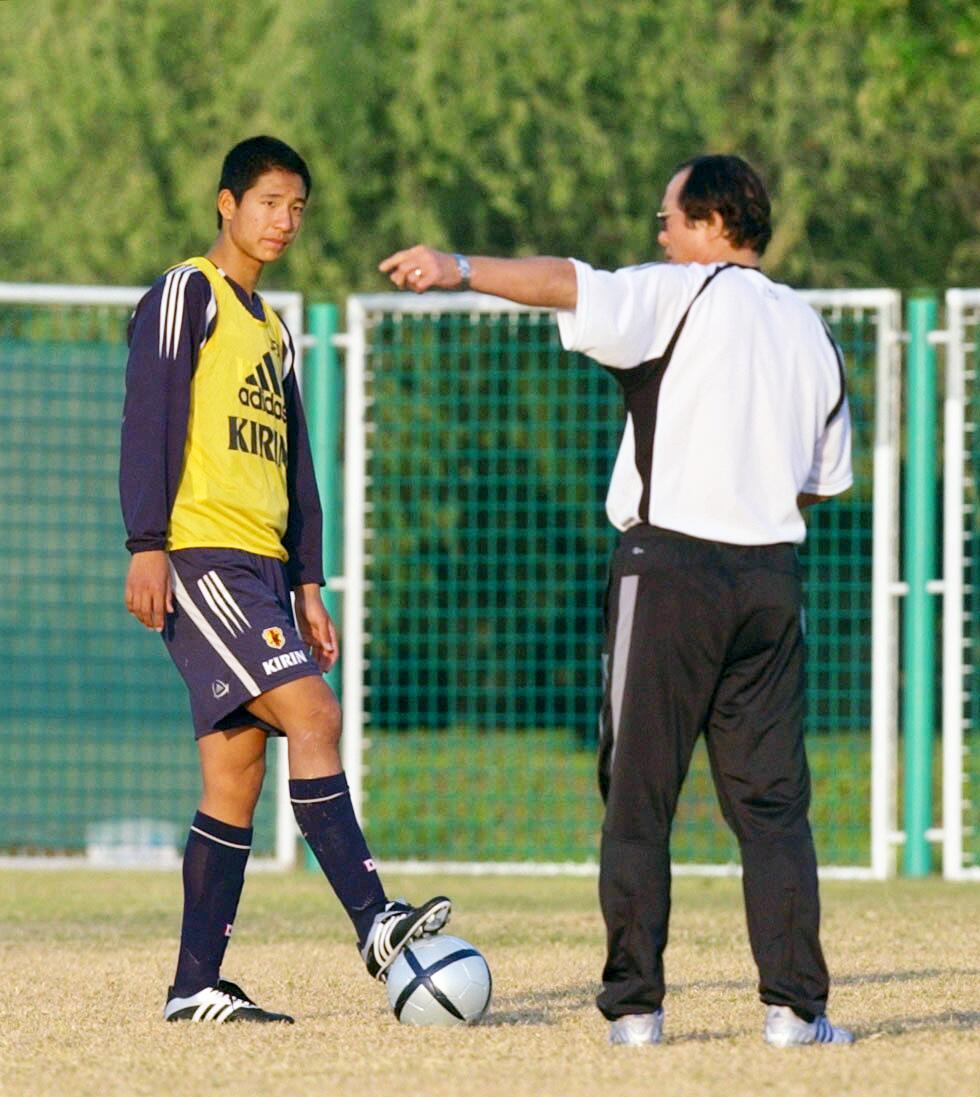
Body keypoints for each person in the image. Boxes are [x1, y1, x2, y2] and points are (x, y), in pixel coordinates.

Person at [379, 154, 854, 1047]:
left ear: (712, 223)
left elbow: (566, 282)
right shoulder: (812, 329)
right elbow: (820, 483)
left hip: (669, 570)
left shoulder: (678, 291)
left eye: (668, 219)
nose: (660, 236)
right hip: (770, 581)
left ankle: (636, 1011)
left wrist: (459, 267)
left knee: (638, 799)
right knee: (773, 808)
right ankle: (796, 1011)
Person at [120, 135, 450, 1025]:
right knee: (316, 714)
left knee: (236, 774)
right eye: (268, 202)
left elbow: (296, 463)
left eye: (297, 207)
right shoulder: (187, 292)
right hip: (202, 554)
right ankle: (374, 919)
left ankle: (194, 985)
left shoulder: (273, 328)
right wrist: (146, 542)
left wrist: (308, 583)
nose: (284, 220)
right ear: (226, 203)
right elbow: (149, 413)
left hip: (262, 568)